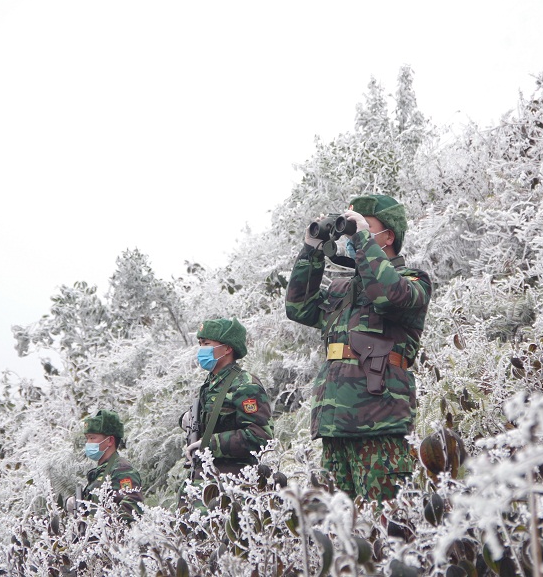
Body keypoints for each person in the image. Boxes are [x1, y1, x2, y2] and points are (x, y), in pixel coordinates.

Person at [285, 194, 433, 502]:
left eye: (362, 226)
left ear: (388, 236)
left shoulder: (414, 281)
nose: (351, 235)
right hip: (334, 427)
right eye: (349, 227)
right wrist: (312, 247)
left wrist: (362, 237)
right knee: (341, 530)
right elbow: (299, 307)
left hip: (380, 425)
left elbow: (387, 296)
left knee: (388, 527)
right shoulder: (341, 291)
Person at [182, 318, 274, 477]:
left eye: (206, 344)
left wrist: (210, 444)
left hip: (233, 482)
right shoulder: (211, 383)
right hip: (203, 477)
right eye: (200, 344)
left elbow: (260, 436)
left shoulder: (245, 385)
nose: (201, 349)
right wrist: (186, 420)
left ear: (227, 349)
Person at [81, 409, 143, 522]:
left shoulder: (122, 470)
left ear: (110, 440)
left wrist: (103, 524)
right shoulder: (101, 471)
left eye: (92, 438)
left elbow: (132, 507)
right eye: (87, 438)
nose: (88, 443)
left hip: (111, 538)